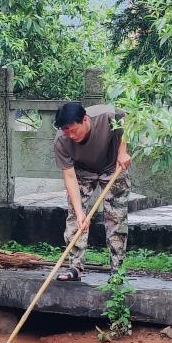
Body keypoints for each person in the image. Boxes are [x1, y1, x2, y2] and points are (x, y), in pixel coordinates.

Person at [52, 101, 132, 281]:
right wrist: (81, 212)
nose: (71, 135)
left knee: (116, 218)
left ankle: (117, 270)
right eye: (66, 131)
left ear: (85, 120)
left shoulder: (106, 115)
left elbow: (130, 120)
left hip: (113, 167)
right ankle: (75, 267)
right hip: (82, 171)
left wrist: (123, 150)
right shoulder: (61, 141)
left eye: (74, 130)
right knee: (75, 217)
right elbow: (70, 178)